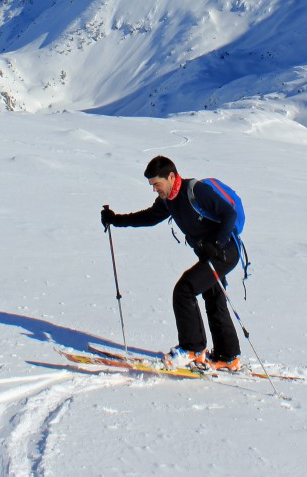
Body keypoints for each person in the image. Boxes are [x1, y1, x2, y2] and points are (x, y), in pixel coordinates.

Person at [101, 154, 242, 370]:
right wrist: (116, 219)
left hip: (224, 252)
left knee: (184, 289)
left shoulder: (195, 191)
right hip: (210, 254)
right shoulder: (168, 201)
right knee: (213, 296)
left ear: (171, 176)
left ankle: (192, 349)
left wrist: (215, 244)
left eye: (157, 184)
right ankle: (228, 356)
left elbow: (229, 213)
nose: (155, 189)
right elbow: (148, 217)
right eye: (152, 185)